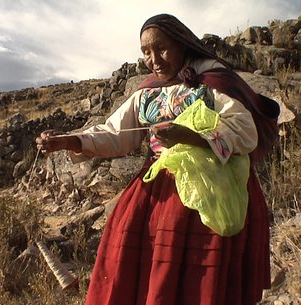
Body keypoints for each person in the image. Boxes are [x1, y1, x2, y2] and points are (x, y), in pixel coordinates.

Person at [36, 13, 279, 305]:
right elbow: (115, 133)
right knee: (137, 261)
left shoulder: (214, 82)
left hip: (211, 188)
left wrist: (192, 137)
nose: (155, 59)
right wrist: (72, 140)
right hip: (155, 192)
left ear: (182, 44)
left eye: (162, 48)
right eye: (146, 52)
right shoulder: (147, 92)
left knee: (200, 277)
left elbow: (244, 131)